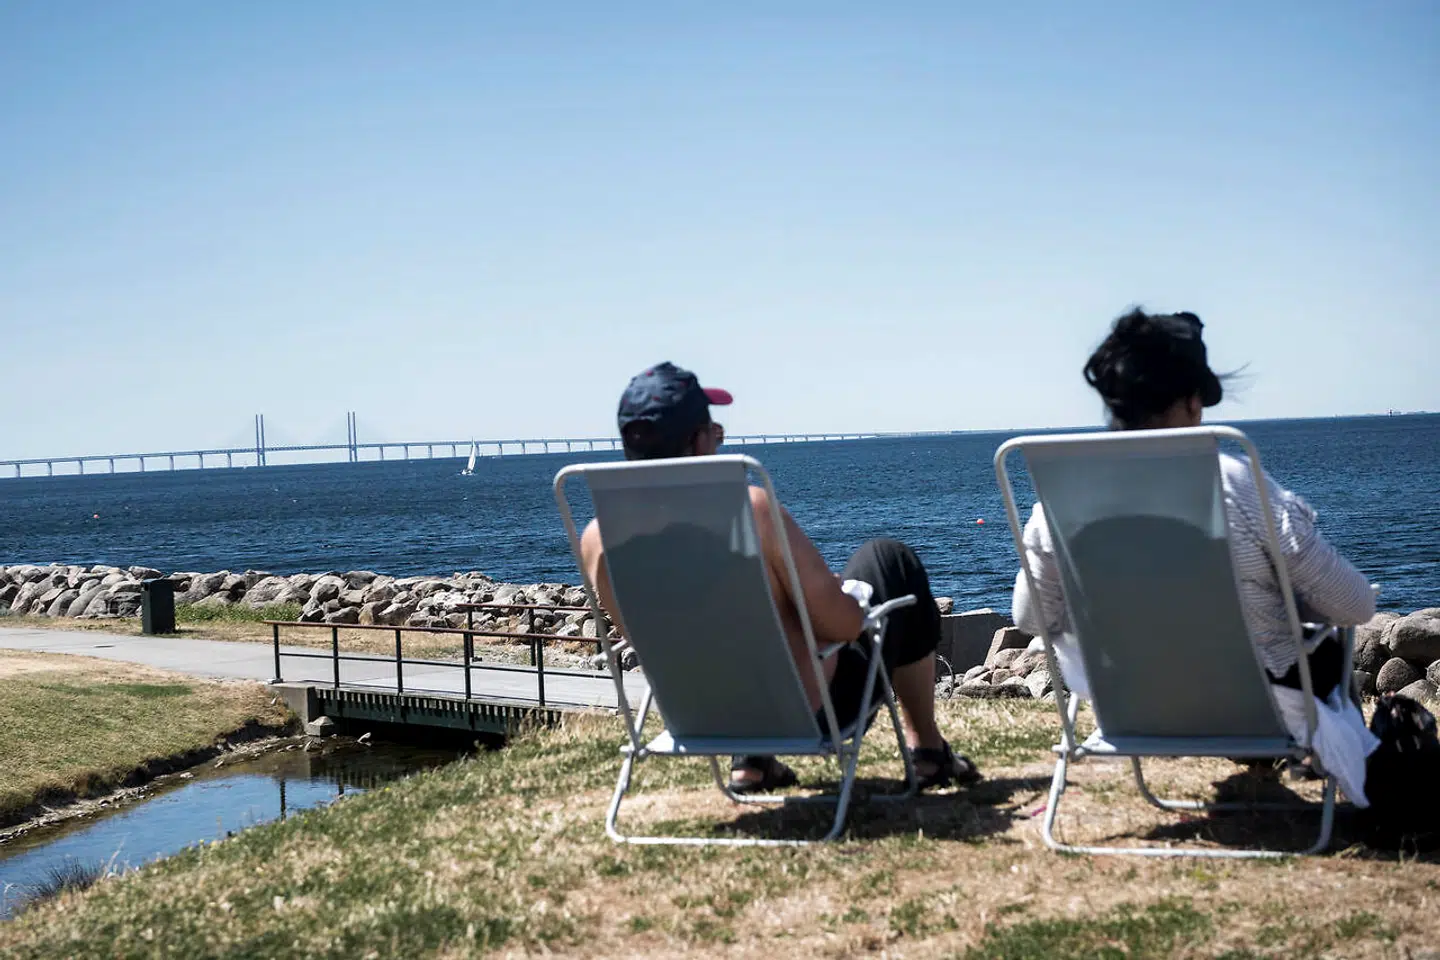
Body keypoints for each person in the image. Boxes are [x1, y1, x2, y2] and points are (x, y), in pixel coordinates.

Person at [1010, 309, 1380, 803]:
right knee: (1322, 642)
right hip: (1260, 705)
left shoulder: (1061, 501)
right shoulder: (1237, 485)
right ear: (1189, 401)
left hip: (1135, 706)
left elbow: (1031, 617)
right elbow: (1355, 606)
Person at [580, 362, 981, 793]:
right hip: (811, 711)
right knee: (888, 559)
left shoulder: (597, 540)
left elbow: (649, 642)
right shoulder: (748, 511)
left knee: (754, 618)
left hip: (701, 719)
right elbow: (843, 626)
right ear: (698, 441)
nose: (719, 437)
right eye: (713, 430)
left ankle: (751, 764)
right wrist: (847, 598)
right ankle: (929, 753)